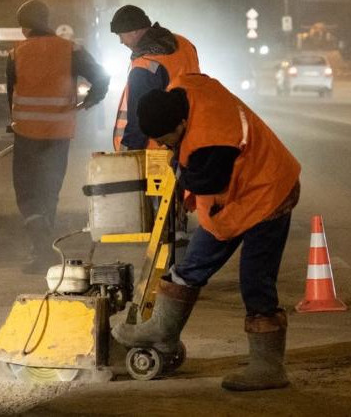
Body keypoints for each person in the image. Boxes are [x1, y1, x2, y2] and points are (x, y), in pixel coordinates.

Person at [112, 74, 301, 392]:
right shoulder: (185, 89)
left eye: (167, 140)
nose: (166, 146)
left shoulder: (212, 139)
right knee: (191, 266)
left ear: (182, 123)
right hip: (235, 198)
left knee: (255, 280)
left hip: (268, 192)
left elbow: (208, 181)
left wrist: (181, 176)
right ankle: (163, 331)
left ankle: (268, 366)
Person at [7, 0, 109, 272]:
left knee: (27, 194)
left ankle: (40, 249)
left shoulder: (16, 53)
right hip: (58, 135)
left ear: (25, 27)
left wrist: (13, 122)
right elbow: (102, 78)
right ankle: (42, 249)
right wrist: (88, 102)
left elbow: (10, 96)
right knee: (49, 191)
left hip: (26, 135)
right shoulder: (71, 49)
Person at [110, 4, 199, 151]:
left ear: (134, 31)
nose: (121, 42)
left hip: (159, 148)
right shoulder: (184, 43)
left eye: (121, 35)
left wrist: (129, 153)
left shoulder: (144, 65)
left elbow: (139, 118)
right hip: (192, 134)